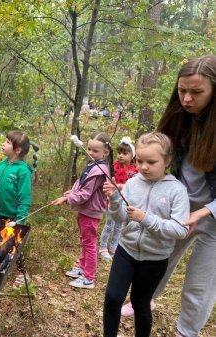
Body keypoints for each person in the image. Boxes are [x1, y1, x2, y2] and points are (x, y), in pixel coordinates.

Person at [121, 55, 216, 337]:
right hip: (179, 205)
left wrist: (203, 212)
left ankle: (187, 332)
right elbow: (158, 160)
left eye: (196, 92)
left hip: (212, 214)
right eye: (182, 90)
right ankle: (146, 298)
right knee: (158, 257)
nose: (187, 99)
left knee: (199, 282)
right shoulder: (179, 118)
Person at [102, 132, 190, 337]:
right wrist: (115, 200)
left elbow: (181, 229)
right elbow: (120, 219)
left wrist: (146, 218)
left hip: (155, 258)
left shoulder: (177, 190)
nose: (143, 167)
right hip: (127, 250)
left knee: (140, 303)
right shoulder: (133, 184)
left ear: (167, 160)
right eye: (140, 160)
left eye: (151, 161)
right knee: (113, 297)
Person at [52, 132, 112, 289]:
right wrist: (71, 193)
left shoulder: (100, 170)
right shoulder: (93, 165)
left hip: (91, 212)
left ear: (105, 152)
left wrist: (67, 199)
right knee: (85, 241)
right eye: (89, 148)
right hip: (86, 210)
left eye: (95, 151)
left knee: (89, 243)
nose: (91, 153)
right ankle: (82, 268)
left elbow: (86, 194)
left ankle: (89, 278)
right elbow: (81, 183)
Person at [0, 130, 35, 287]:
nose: (3, 144)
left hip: (13, 215)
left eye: (7, 142)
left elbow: (25, 197)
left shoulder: (23, 171)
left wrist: (20, 218)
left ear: (18, 149)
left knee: (13, 243)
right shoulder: (0, 165)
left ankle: (22, 273)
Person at [99, 136, 137, 261]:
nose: (121, 156)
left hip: (126, 202)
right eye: (119, 153)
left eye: (125, 153)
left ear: (132, 155)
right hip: (113, 200)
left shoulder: (136, 169)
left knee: (119, 226)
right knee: (109, 224)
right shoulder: (113, 166)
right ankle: (103, 247)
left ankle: (114, 246)